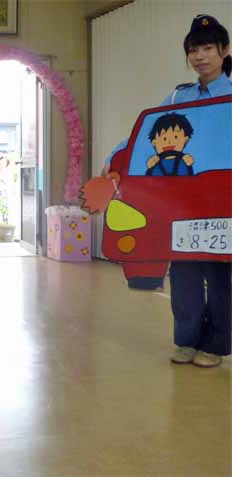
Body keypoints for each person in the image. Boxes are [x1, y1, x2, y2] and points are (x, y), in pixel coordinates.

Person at [103, 14, 231, 368]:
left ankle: (216, 345)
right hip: (184, 202)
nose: (200, 57)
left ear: (224, 50)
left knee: (221, 277)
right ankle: (187, 340)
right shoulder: (179, 95)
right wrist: (118, 157)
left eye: (208, 48)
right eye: (193, 50)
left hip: (222, 201)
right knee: (185, 274)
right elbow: (151, 132)